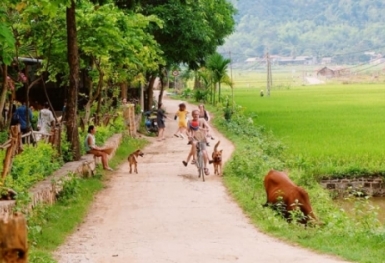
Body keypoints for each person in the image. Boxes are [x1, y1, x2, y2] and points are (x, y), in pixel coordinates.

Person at [182, 110, 212, 176]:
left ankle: (206, 167)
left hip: (202, 138)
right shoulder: (190, 122)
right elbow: (187, 130)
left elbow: (207, 127)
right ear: (192, 115)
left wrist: (207, 131)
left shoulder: (202, 120)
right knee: (194, 143)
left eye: (197, 114)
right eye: (194, 114)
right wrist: (189, 135)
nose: (196, 116)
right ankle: (194, 159)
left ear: (199, 115)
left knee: (204, 152)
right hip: (194, 138)